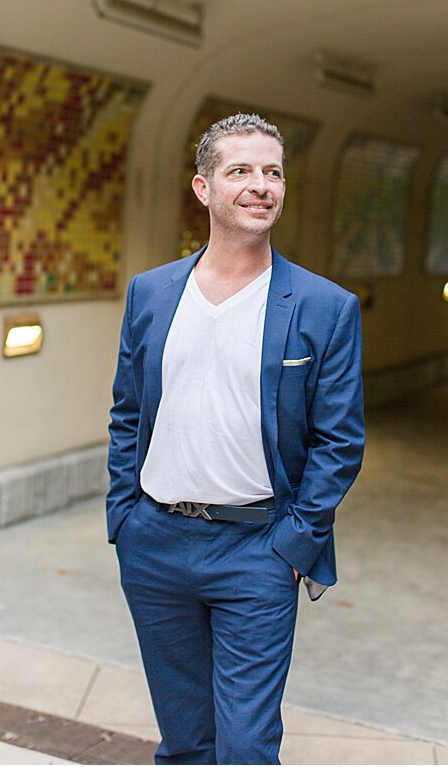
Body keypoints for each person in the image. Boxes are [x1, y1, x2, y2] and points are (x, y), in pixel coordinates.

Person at [107, 114, 365, 764]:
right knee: (186, 742)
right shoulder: (152, 293)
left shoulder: (324, 306)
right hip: (155, 543)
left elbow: (340, 441)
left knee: (247, 747)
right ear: (203, 187)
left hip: (258, 550)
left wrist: (292, 544)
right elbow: (127, 412)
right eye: (240, 170)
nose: (260, 185)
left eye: (272, 171)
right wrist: (124, 517)